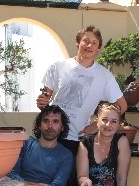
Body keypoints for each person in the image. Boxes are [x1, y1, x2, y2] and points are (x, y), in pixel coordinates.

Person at [36, 25, 128, 156]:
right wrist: (42, 102)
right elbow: (45, 100)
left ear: (98, 49)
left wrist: (95, 125)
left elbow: (122, 106)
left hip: (78, 139)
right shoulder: (58, 67)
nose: (89, 45)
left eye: (94, 43)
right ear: (78, 43)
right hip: (52, 137)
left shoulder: (104, 76)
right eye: (86, 40)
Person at [8, 105, 73, 186]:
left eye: (55, 122)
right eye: (46, 121)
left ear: (62, 127)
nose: (50, 125)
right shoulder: (26, 144)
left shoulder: (66, 155)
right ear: (39, 125)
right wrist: (26, 185)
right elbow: (11, 173)